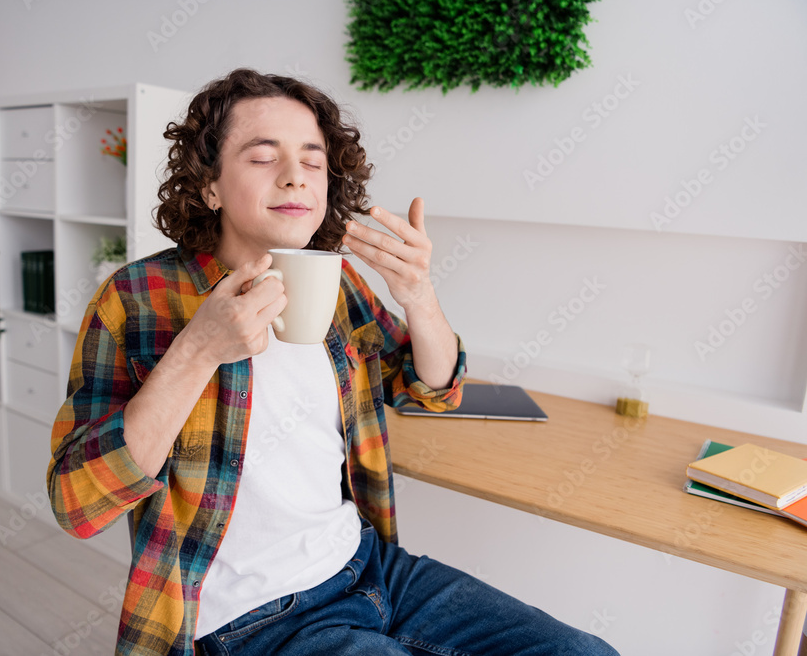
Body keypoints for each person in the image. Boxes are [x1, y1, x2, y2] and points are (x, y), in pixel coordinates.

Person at [47, 68, 619, 656]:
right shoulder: (136, 298)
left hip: (369, 566)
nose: (296, 176)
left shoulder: (336, 281)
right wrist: (198, 350)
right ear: (210, 185)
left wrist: (419, 294)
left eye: (313, 160)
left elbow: (432, 388)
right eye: (263, 157)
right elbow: (78, 502)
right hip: (251, 617)